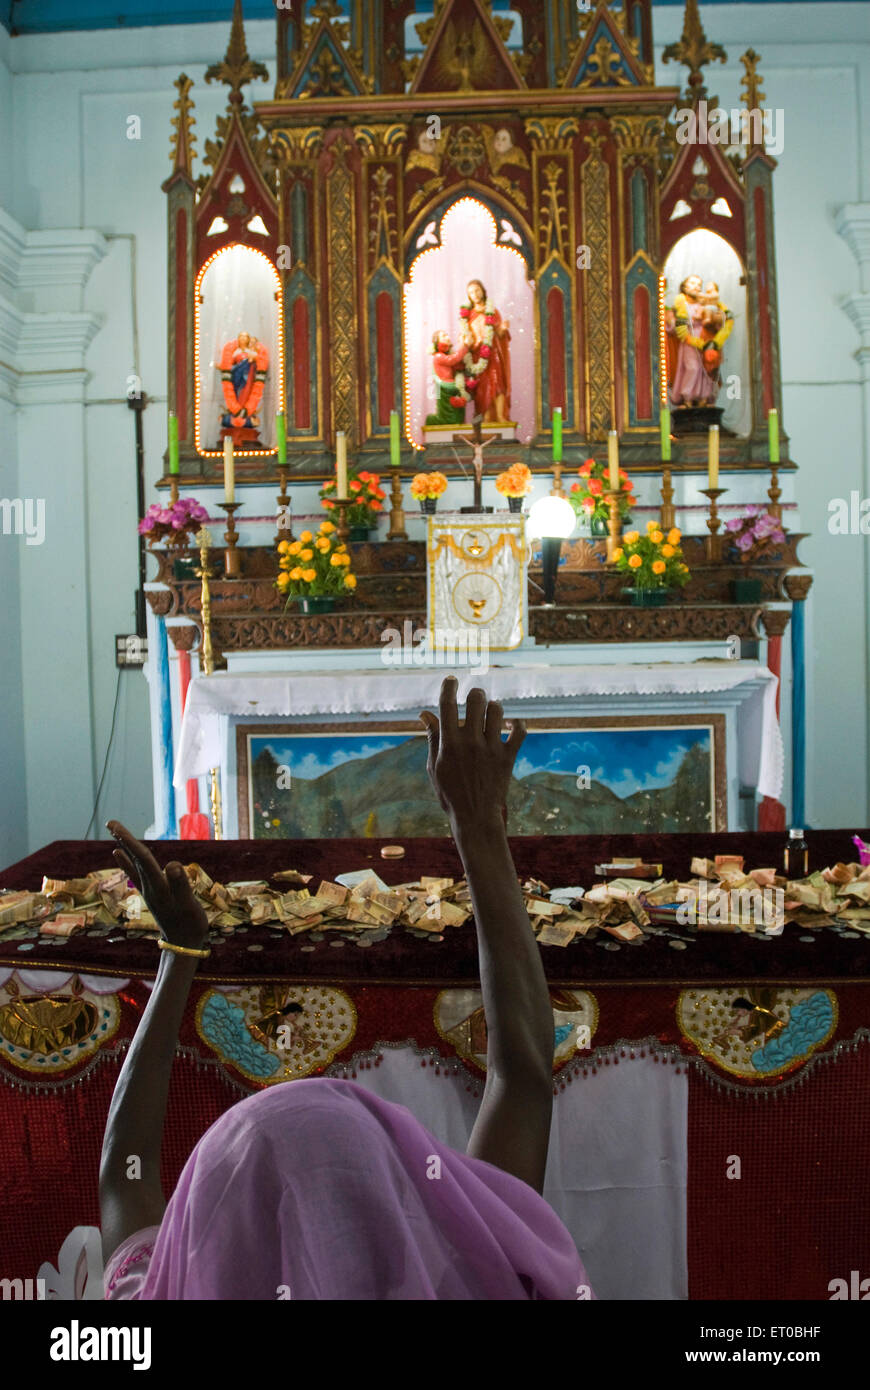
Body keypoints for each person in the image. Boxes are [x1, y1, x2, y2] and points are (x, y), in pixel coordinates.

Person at [100, 677, 594, 1300]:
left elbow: (125, 1168)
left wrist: (180, 951)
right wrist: (478, 826)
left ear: (202, 1228)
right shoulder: (477, 1275)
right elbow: (522, 1074)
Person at [461, 279, 511, 425]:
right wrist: (465, 341)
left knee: (498, 383)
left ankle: (501, 417)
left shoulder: (492, 311)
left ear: (483, 291)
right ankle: (487, 418)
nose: (474, 294)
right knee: (483, 388)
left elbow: (500, 334)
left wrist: (502, 328)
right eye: (471, 292)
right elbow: (464, 336)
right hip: (477, 357)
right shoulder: (467, 315)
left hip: (493, 353)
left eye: (477, 290)